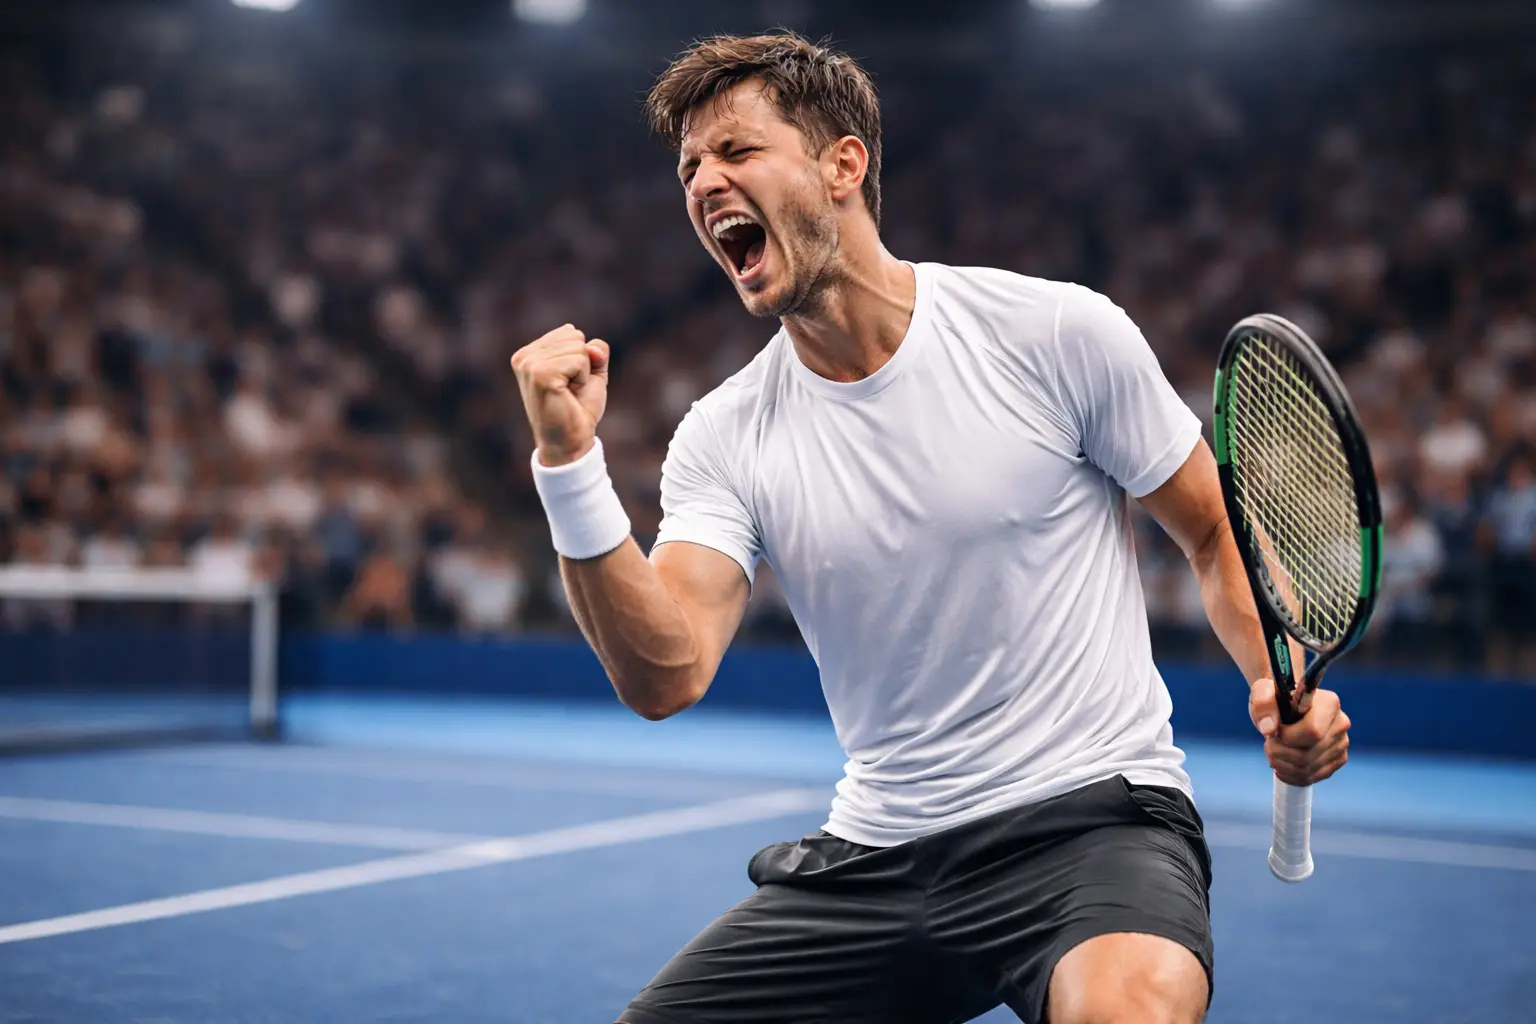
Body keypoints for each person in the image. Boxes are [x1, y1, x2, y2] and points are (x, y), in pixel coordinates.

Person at [510, 31, 1351, 1024]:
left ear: (842, 166)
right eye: (689, 168)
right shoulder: (725, 434)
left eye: (735, 152)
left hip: (1091, 824)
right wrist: (568, 467)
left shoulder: (1055, 334)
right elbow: (666, 673)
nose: (702, 183)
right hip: (880, 855)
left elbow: (1215, 535)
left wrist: (1279, 677)